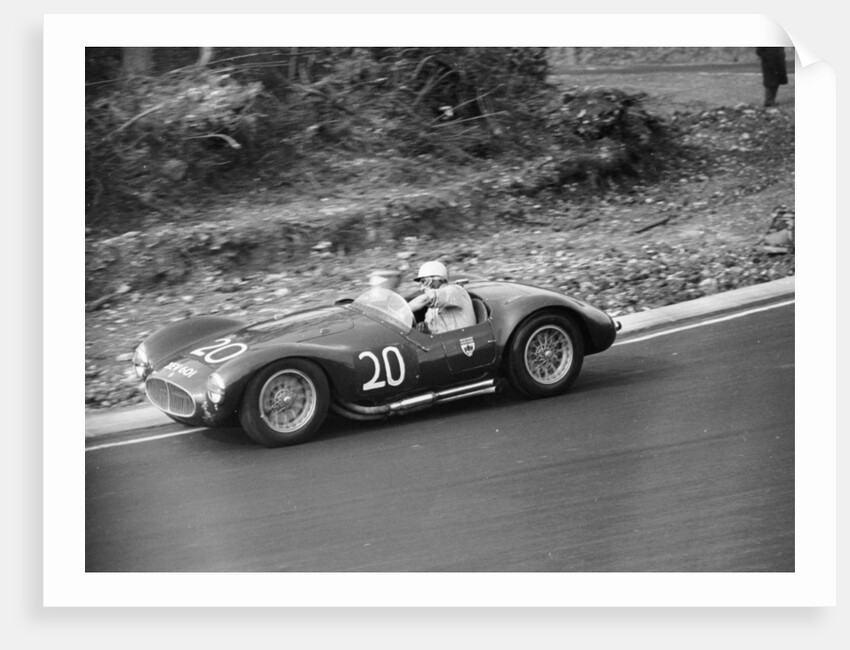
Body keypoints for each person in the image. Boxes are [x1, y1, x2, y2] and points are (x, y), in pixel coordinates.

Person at [407, 261, 476, 334]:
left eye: (424, 282)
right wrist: (425, 328)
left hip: (458, 339)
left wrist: (403, 311)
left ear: (439, 279)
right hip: (442, 341)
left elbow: (426, 299)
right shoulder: (433, 308)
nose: (422, 288)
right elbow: (433, 330)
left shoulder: (455, 291)